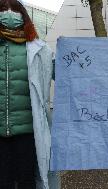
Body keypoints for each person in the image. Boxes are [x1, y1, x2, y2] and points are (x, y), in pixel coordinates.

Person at [0, 0, 53, 188]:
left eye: (14, 10)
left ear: (24, 15)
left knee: (26, 181)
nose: (8, 14)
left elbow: (61, 72)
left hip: (27, 132)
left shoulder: (39, 49)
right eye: (3, 10)